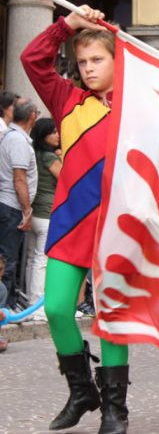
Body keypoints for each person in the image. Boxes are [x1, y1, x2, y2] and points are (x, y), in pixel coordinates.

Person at [21, 5, 129, 433]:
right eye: (82, 61)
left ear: (118, 60)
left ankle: (115, 410)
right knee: (57, 308)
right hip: (70, 221)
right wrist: (68, 25)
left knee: (113, 318)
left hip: (119, 228)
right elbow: (32, 59)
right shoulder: (67, 99)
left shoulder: (140, 106)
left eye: (97, 59)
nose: (88, 68)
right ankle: (83, 390)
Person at [0, 97, 39, 309]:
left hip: (8, 205)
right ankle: (4, 311)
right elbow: (19, 179)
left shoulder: (12, 136)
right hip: (11, 207)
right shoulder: (17, 140)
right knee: (6, 262)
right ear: (32, 116)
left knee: (6, 260)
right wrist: (27, 211)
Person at [24, 118, 61, 320]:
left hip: (33, 211)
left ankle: (31, 301)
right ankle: (37, 306)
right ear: (45, 135)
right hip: (47, 212)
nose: (58, 135)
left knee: (32, 259)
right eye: (54, 132)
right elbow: (66, 177)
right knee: (41, 260)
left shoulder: (34, 154)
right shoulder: (49, 157)